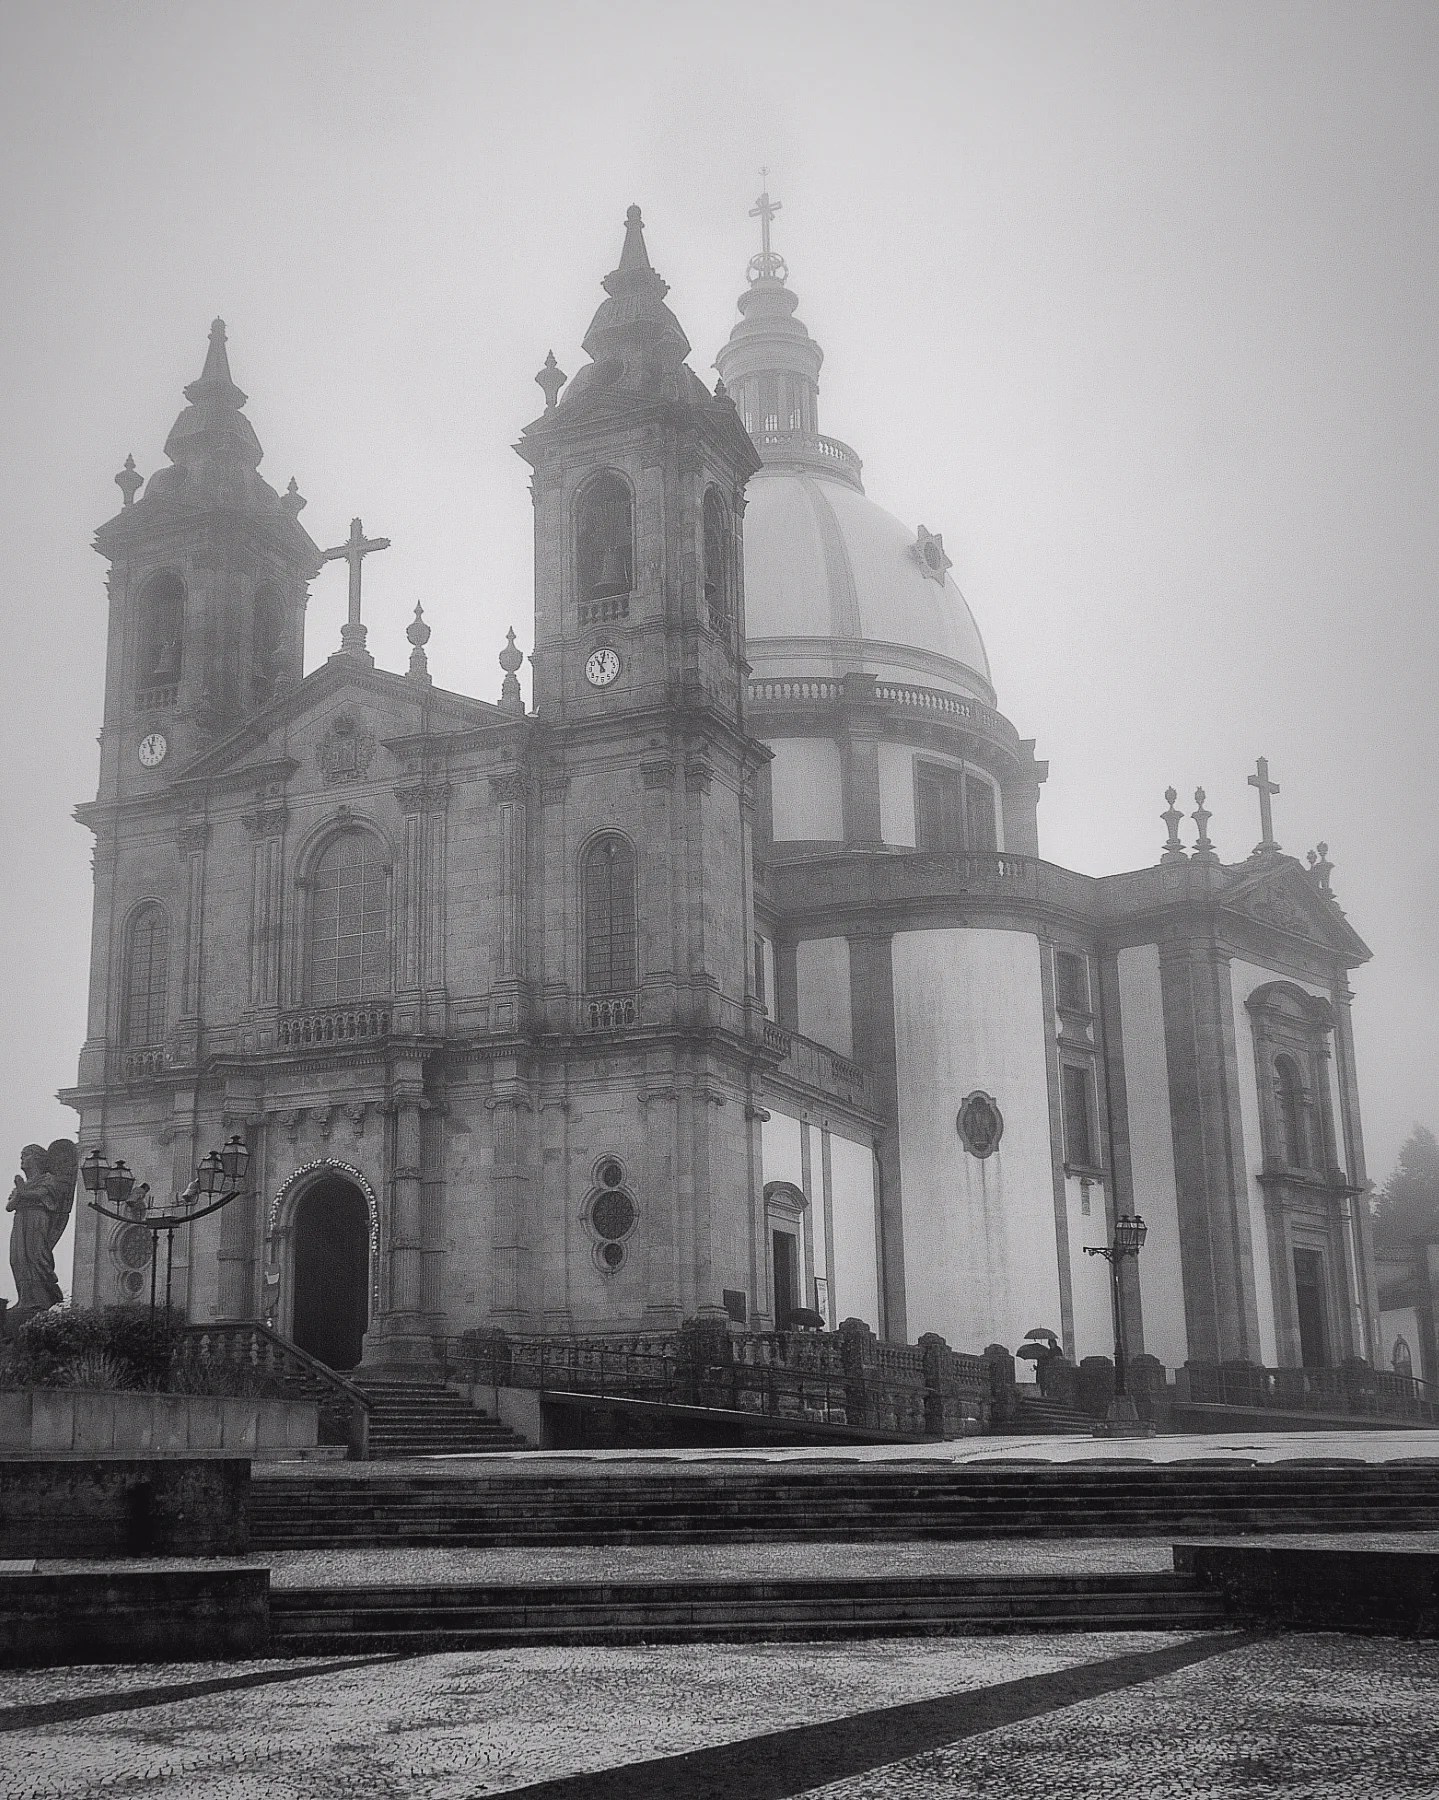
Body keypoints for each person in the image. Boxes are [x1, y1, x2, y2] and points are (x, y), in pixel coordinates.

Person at [6, 1142, 73, 1311]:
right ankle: (24, 1299)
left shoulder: (48, 1179)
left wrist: (21, 1192)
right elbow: (9, 1206)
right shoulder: (24, 1183)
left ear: (37, 1159)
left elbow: (38, 1195)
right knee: (18, 1258)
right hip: (21, 1219)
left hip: (36, 1219)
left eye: (26, 1154)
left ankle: (39, 1300)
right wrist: (20, 1192)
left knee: (35, 1257)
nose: (22, 1158)